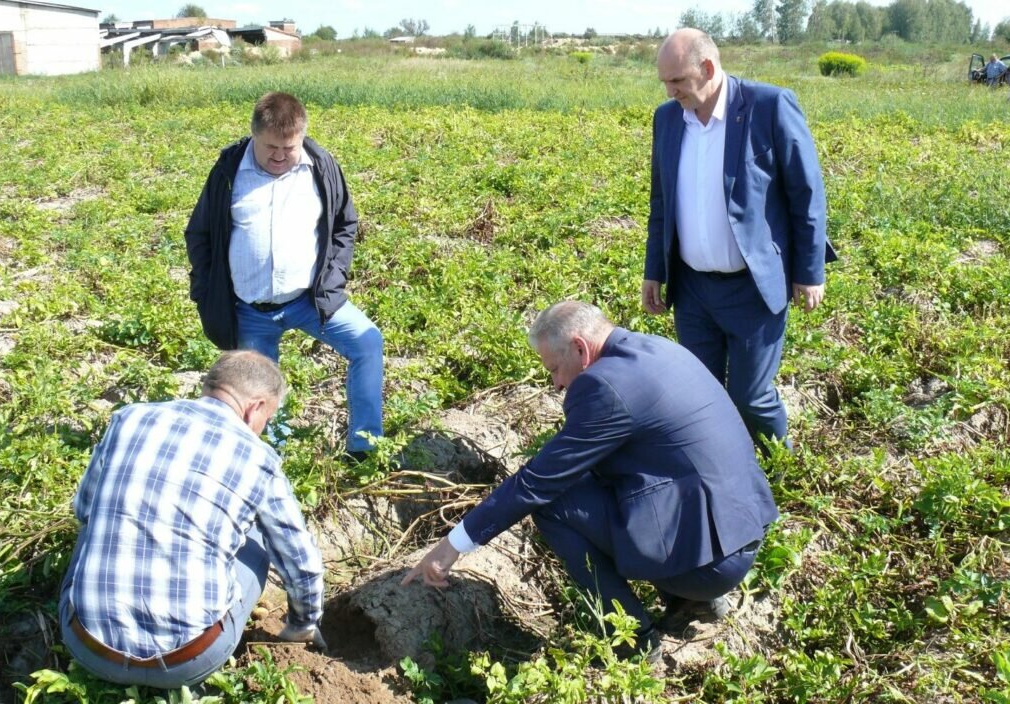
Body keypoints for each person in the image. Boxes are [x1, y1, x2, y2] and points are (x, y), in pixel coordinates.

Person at [403, 301, 779, 660]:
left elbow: (538, 482)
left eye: (553, 369)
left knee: (553, 504)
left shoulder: (604, 386)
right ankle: (691, 602)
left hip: (708, 566)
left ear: (580, 349)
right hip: (744, 529)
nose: (555, 384)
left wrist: (454, 544)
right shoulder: (659, 348)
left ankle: (635, 641)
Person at [59, 351, 326, 688]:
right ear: (255, 407)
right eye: (267, 420)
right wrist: (303, 623)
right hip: (185, 663)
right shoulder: (258, 458)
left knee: (95, 519)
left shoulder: (129, 418)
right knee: (260, 537)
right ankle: (193, 679)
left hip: (90, 650)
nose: (262, 430)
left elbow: (83, 508)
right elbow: (302, 562)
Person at [642, 29, 836, 448]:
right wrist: (654, 271)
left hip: (751, 288)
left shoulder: (768, 105)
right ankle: (720, 476)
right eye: (665, 82)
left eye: (677, 80)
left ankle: (775, 472)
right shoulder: (667, 118)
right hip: (693, 289)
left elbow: (807, 192)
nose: (670, 90)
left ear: (708, 68)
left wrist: (809, 272)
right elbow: (661, 200)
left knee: (750, 397)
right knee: (701, 393)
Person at [185, 91, 383, 459]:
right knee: (253, 392)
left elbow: (344, 224)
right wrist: (205, 290)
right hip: (249, 310)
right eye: (270, 147)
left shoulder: (321, 166)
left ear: (302, 138)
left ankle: (364, 448)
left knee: (367, 342)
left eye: (287, 148)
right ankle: (266, 457)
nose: (279, 156)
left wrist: (333, 280)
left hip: (311, 301)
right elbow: (198, 234)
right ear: (253, 136)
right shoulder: (229, 172)